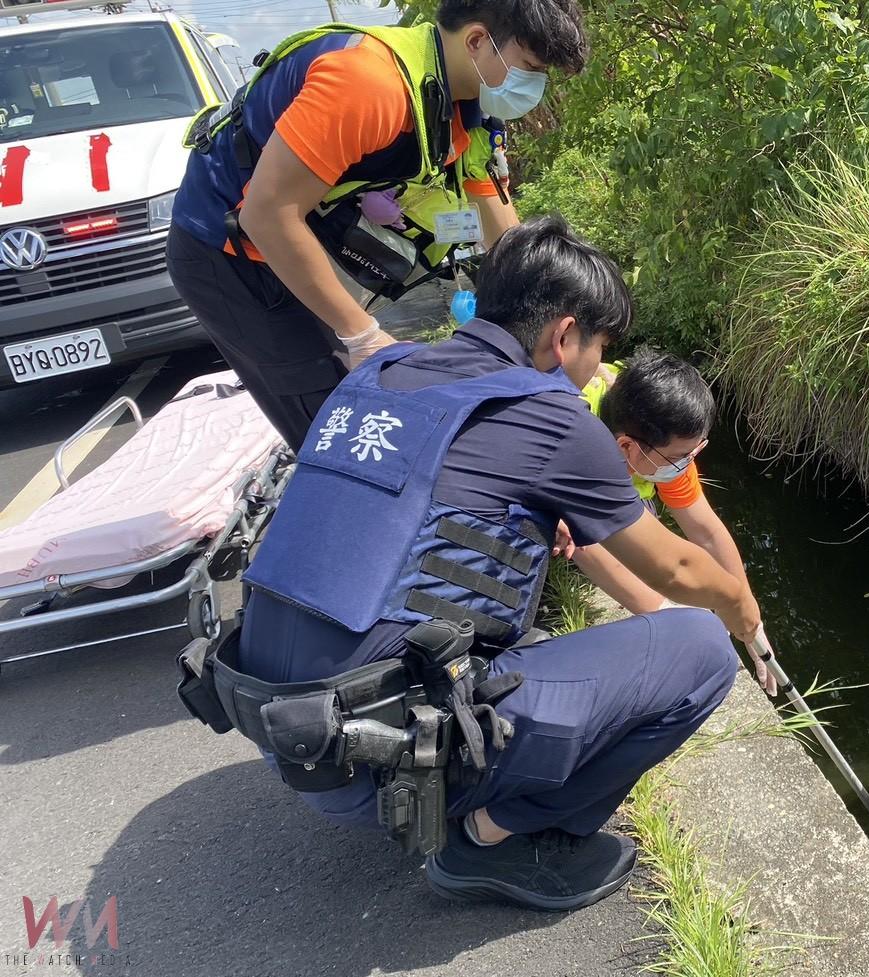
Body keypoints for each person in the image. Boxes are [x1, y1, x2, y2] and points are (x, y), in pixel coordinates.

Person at [215, 216, 768, 912]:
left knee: (517, 624)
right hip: (377, 763)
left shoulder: (378, 373)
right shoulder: (555, 416)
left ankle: (462, 785)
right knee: (703, 647)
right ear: (564, 335)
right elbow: (680, 570)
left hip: (290, 732)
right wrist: (742, 610)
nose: (599, 367)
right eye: (600, 346)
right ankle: (492, 839)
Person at [166, 0, 585, 447]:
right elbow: (267, 215)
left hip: (295, 239)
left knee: (361, 394)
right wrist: (364, 336)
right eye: (531, 68)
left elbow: (502, 232)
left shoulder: (469, 105)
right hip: (228, 248)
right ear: (478, 41)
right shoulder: (369, 84)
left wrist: (552, 323)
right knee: (334, 421)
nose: (535, 86)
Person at [570, 352, 766, 662]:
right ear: (627, 447)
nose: (686, 463)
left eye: (693, 452)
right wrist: (668, 614)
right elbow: (585, 542)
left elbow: (706, 532)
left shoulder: (663, 447)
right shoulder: (578, 443)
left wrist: (745, 609)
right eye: (680, 456)